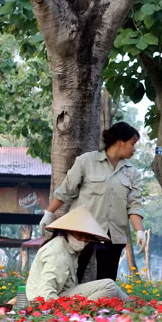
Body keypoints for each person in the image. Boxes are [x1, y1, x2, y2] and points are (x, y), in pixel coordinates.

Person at [40, 122, 145, 282]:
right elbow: (66, 190)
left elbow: (134, 205)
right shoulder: (86, 161)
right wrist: (49, 213)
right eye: (132, 144)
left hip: (113, 234)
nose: (134, 149)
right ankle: (68, 305)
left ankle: (103, 307)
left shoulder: (133, 173)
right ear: (119, 142)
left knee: (107, 280)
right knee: (73, 275)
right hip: (82, 231)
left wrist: (139, 231)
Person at [26, 207, 129, 302]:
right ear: (68, 231)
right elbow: (46, 293)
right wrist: (63, 311)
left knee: (113, 286)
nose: (84, 239)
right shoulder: (57, 252)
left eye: (87, 236)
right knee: (109, 286)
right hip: (46, 301)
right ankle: (81, 314)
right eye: (80, 234)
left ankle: (134, 306)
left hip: (63, 294)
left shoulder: (69, 247)